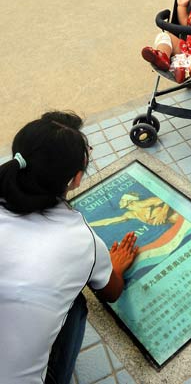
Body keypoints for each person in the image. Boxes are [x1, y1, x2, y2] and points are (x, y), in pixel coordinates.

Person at [0, 111, 139, 384]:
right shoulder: (78, 239)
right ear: (75, 179)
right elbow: (111, 292)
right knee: (76, 302)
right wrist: (114, 267)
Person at [90, 192, 180, 227]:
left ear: (129, 200)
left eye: (122, 200)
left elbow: (169, 197)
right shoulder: (131, 214)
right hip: (168, 224)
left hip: (173, 215)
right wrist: (89, 225)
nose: (119, 203)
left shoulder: (146, 203)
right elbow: (108, 221)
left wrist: (163, 212)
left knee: (177, 218)